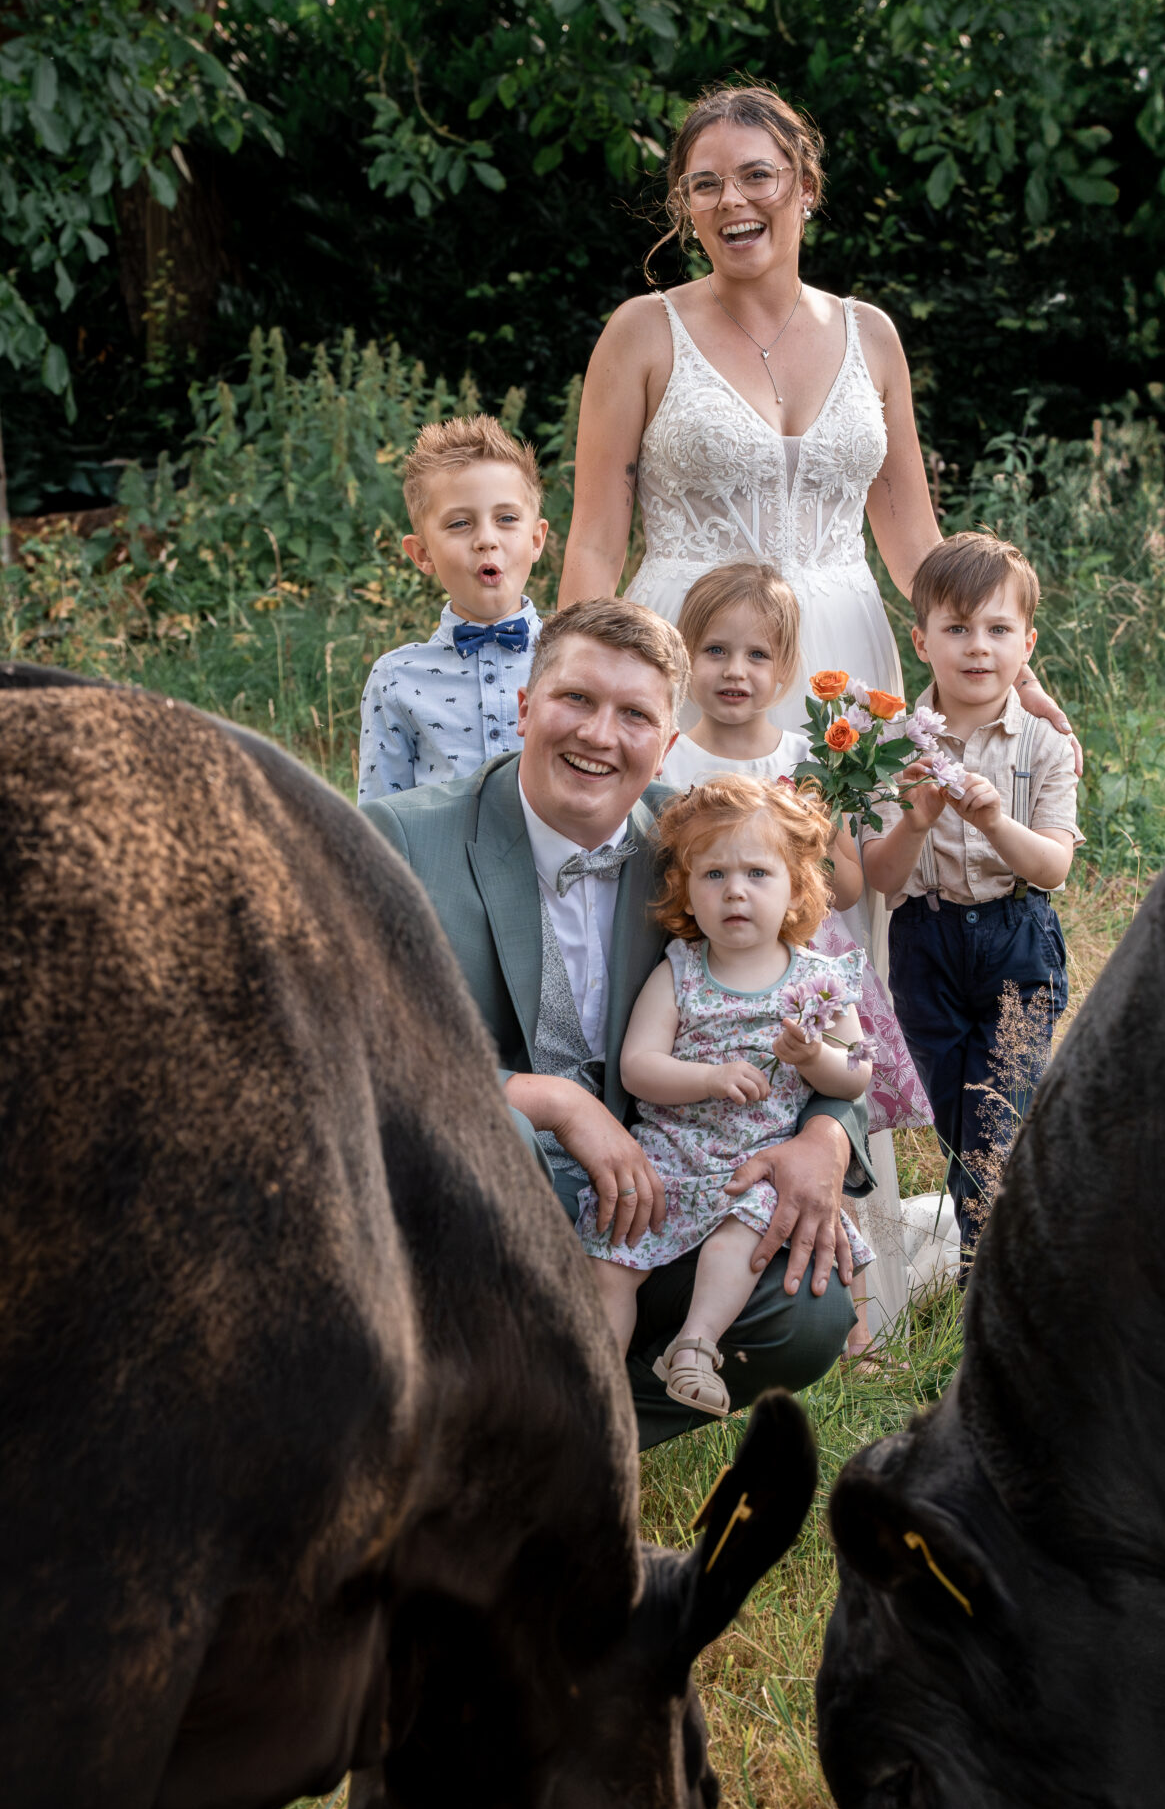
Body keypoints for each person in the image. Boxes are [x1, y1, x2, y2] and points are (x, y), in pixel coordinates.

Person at [558, 80, 1072, 1326]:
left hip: (844, 664)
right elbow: (590, 539)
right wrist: (583, 677)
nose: (732, 201)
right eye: (704, 184)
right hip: (697, 656)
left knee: (849, 931)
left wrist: (1012, 673)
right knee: (699, 912)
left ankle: (845, 1236)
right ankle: (674, 1218)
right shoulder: (642, 332)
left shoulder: (872, 333)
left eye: (755, 175)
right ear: (682, 208)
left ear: (803, 183)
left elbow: (912, 531)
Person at [359, 597, 870, 1449]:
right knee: (496, 1148)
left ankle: (558, 1441)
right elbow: (350, 1056)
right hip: (481, 1204)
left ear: (666, 742)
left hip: (663, 1199)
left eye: (634, 714)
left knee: (804, 1316)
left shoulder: (707, 846)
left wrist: (825, 1135)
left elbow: (805, 1000)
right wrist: (550, 1102)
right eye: (575, 701)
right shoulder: (401, 842)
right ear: (525, 706)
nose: (600, 735)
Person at [658, 560, 931, 1363]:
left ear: (785, 670)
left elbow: (845, 882)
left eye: (756, 656)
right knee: (725, 1135)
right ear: (684, 656)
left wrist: (817, 847)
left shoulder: (808, 757)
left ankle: (854, 1323)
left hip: (804, 984)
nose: (735, 672)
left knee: (824, 1140)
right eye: (714, 651)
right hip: (711, 990)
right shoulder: (669, 759)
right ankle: (711, 1307)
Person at [580, 776, 874, 1419]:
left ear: (798, 886)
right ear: (686, 889)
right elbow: (639, 1068)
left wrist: (814, 1058)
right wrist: (708, 1078)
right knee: (614, 1254)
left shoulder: (821, 981)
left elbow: (857, 1077)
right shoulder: (680, 970)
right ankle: (595, 1389)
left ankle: (694, 1345)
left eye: (758, 873)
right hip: (671, 1154)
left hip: (760, 1162)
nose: (734, 890)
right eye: (712, 875)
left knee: (744, 1228)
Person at [863, 533, 1081, 1263]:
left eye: (997, 630)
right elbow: (881, 879)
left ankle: (990, 1270)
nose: (977, 648)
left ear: (1026, 645)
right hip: (923, 945)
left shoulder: (1043, 744)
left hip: (1016, 936)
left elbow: (1052, 868)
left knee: (1000, 1114)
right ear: (921, 641)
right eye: (956, 629)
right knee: (959, 1119)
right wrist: (916, 819)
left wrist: (993, 820)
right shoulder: (888, 746)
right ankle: (1004, 1250)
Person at [357, 415, 548, 800]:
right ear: (422, 554)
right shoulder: (396, 680)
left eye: (506, 518)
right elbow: (380, 820)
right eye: (460, 523)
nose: (486, 540)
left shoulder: (574, 660)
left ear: (535, 539)